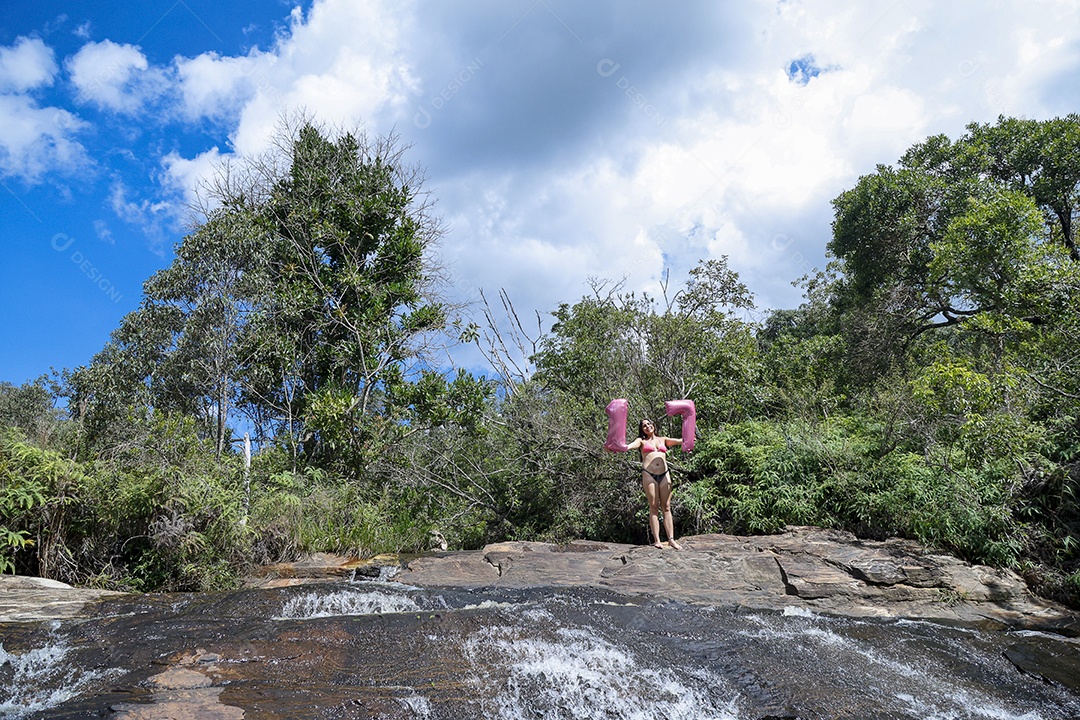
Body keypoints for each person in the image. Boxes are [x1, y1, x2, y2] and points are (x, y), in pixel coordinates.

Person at [626, 418, 683, 550]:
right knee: (654, 506)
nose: (647, 426)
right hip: (649, 474)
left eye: (649, 424)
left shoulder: (663, 440)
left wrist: (690, 438)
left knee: (667, 506)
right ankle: (657, 540)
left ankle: (671, 540)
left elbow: (681, 441)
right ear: (642, 430)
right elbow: (630, 446)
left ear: (653, 425)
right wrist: (623, 447)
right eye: (644, 426)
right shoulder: (641, 441)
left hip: (664, 474)